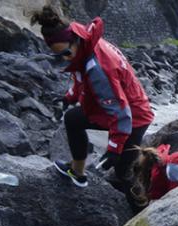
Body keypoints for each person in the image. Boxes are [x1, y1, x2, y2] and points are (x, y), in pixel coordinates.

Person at [31, 5, 154, 189]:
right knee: (73, 119)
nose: (65, 59)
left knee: (122, 173)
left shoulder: (97, 69)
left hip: (134, 117)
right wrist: (69, 97)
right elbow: (81, 79)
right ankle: (78, 173)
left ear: (75, 41)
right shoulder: (85, 44)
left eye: (66, 53)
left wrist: (114, 148)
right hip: (118, 108)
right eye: (59, 55)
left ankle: (144, 200)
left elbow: (121, 113)